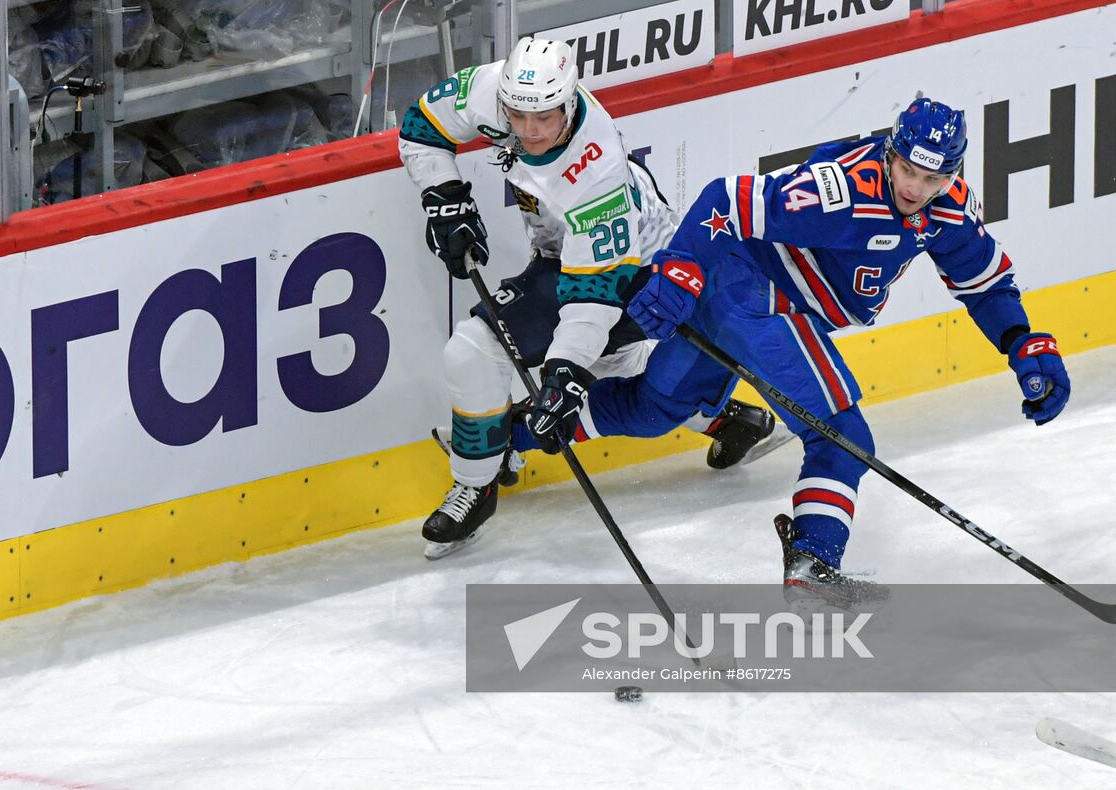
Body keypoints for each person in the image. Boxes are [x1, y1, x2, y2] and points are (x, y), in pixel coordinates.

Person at [576, 97, 1070, 607]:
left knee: (652, 410)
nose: (915, 189)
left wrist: (1022, 342)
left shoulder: (949, 210)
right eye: (906, 171)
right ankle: (814, 562)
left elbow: (985, 285)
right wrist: (680, 267)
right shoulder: (841, 192)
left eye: (933, 179)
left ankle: (510, 433)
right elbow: (724, 200)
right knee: (842, 436)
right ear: (890, 153)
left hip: (733, 297)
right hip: (760, 297)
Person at [397, 37, 782, 559]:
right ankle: (729, 420)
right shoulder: (491, 92)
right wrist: (445, 198)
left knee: (576, 365)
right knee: (539, 360)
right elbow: (421, 127)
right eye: (518, 115)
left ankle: (482, 475)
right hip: (563, 255)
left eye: (544, 118)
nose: (529, 132)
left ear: (571, 101)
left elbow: (591, 298)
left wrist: (563, 373)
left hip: (638, 269)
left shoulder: (594, 170)